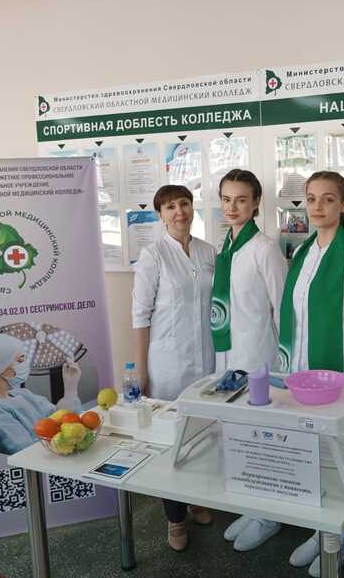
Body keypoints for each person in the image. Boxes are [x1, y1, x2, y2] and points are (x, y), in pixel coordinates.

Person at [279, 171, 344, 577]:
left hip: (340, 373)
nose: (318, 207)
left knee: (343, 457)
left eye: (328, 199)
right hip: (301, 372)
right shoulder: (304, 253)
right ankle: (317, 528)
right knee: (310, 451)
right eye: (311, 198)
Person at [132, 184, 216, 551]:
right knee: (173, 438)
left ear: (192, 208)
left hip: (207, 358)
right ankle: (175, 517)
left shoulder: (208, 252)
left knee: (204, 432)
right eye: (169, 207)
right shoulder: (153, 255)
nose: (178, 211)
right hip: (168, 361)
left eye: (184, 204)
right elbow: (140, 315)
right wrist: (141, 371)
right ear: (160, 215)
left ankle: (196, 499)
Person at [213, 169, 288, 552]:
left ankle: (269, 516)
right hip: (229, 355)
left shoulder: (264, 249)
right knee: (237, 434)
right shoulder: (226, 247)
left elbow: (283, 308)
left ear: (256, 203)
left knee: (262, 437)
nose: (232, 207)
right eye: (227, 199)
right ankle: (251, 505)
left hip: (259, 357)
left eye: (241, 200)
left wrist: (286, 365)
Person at [0, 333, 81, 455]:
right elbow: (26, 452)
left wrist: (70, 389)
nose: (25, 364)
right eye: (20, 360)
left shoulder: (22, 395)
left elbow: (60, 419)